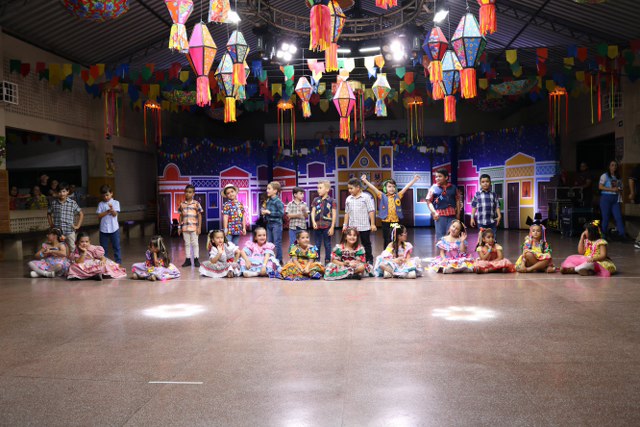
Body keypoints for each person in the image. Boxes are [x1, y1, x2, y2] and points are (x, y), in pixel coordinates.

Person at [361, 174, 420, 248]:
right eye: (389, 186)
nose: (392, 188)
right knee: (386, 238)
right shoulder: (382, 195)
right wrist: (365, 180)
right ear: (385, 188)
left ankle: (395, 251)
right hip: (385, 222)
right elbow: (373, 188)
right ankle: (386, 252)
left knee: (395, 238)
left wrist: (414, 180)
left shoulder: (398, 195)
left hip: (395, 222)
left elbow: (406, 187)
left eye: (393, 187)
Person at [343, 177, 376, 264]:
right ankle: (353, 260)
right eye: (348, 188)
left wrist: (372, 224)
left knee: (366, 244)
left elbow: (371, 211)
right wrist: (344, 225)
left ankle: (369, 260)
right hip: (352, 228)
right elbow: (347, 213)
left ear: (358, 187)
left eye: (351, 188)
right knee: (352, 244)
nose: (349, 190)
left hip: (364, 226)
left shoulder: (366, 197)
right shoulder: (348, 199)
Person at [47, 182, 83, 252]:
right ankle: (62, 258)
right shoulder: (54, 203)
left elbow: (81, 214)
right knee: (58, 248)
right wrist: (51, 224)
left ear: (67, 192)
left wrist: (78, 226)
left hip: (69, 231)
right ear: (57, 192)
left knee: (72, 248)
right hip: (57, 232)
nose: (62, 193)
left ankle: (73, 258)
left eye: (64, 191)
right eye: (59, 192)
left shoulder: (72, 203)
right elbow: (48, 213)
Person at [427, 168, 461, 240]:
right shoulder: (433, 188)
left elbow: (457, 200)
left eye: (440, 176)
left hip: (452, 216)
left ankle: (451, 248)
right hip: (440, 216)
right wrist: (434, 213)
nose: (437, 178)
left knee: (452, 235)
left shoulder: (453, 188)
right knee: (441, 237)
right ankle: (441, 248)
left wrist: (458, 213)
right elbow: (429, 201)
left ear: (446, 177)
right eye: (436, 177)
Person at [311, 180, 337, 264]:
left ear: (327, 189)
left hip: (327, 226)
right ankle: (317, 260)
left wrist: (332, 227)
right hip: (317, 226)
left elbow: (334, 214)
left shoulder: (332, 201)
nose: (318, 190)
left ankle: (327, 260)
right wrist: (313, 222)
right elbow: (313, 212)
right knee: (317, 244)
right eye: (317, 188)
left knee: (327, 244)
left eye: (320, 188)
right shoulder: (315, 200)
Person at [598, 160, 625, 240]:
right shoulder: (604, 176)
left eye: (615, 165)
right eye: (612, 165)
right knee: (606, 217)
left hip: (615, 198)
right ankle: (603, 235)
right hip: (606, 198)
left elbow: (620, 187)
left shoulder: (618, 177)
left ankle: (622, 235)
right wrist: (611, 189)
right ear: (609, 167)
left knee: (618, 217)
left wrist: (619, 189)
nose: (614, 167)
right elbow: (600, 187)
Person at [178, 184, 203, 267]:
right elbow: (180, 216)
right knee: (187, 244)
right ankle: (188, 259)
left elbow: (199, 215)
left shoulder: (196, 204)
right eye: (186, 192)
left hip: (194, 228)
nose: (187, 194)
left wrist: (199, 227)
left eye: (190, 192)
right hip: (185, 228)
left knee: (195, 244)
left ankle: (196, 259)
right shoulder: (182, 204)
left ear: (193, 194)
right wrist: (179, 227)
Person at [96, 185, 122, 265]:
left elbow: (115, 214)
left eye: (107, 195)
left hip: (114, 229)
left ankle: (118, 263)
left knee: (116, 246)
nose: (105, 197)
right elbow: (99, 215)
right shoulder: (101, 204)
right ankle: (105, 263)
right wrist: (107, 211)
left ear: (111, 193)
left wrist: (112, 209)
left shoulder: (116, 202)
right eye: (103, 196)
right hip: (103, 229)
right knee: (103, 248)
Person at [262, 181, 285, 262]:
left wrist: (270, 213)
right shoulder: (269, 201)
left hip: (276, 224)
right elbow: (267, 211)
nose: (267, 190)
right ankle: (270, 258)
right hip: (269, 224)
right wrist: (264, 213)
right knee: (269, 243)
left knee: (277, 242)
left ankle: (279, 259)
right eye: (267, 189)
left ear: (275, 191)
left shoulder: (278, 201)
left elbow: (281, 213)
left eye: (269, 189)